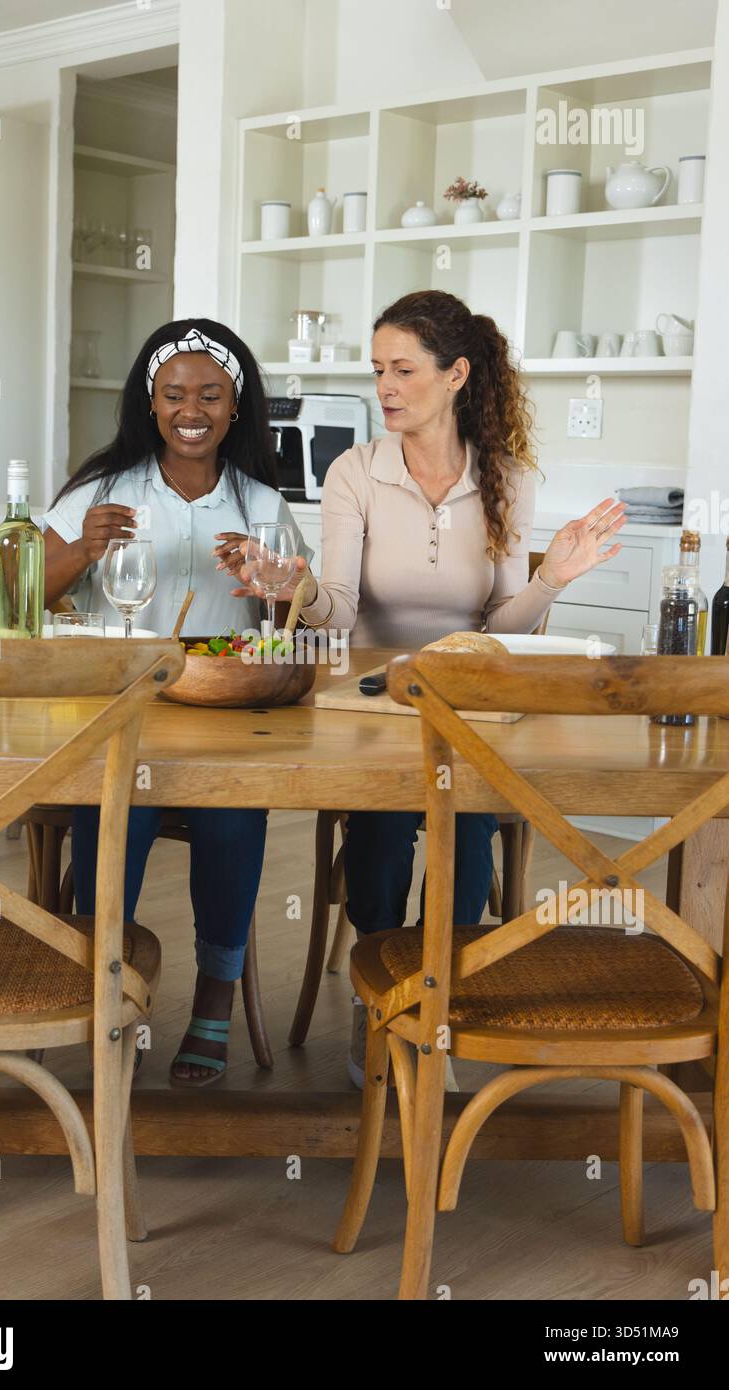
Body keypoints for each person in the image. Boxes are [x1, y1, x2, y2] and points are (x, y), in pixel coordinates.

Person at [231, 289, 626, 1084]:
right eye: (378, 369)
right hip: (369, 709)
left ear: (455, 375)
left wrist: (551, 578)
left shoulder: (508, 478)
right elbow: (337, 613)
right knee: (381, 830)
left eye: (402, 369)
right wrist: (293, 588)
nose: (384, 386)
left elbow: (501, 623)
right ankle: (377, 1006)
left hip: (467, 705)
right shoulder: (355, 472)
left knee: (467, 825)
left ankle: (434, 1003)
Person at [42, 319, 312, 1086]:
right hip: (121, 718)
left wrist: (272, 584)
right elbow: (24, 597)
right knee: (110, 818)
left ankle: (213, 1001)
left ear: (234, 408)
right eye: (172, 395)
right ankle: (110, 988)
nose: (190, 409)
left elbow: (287, 624)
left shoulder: (260, 500)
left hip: (224, 716)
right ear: (150, 405)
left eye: (210, 396)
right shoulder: (101, 490)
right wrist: (80, 550)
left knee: (234, 818)